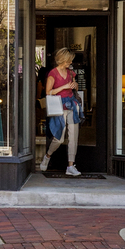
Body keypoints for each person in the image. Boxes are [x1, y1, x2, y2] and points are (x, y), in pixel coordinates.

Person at [39, 48, 82, 176]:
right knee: (59, 138)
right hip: (59, 106)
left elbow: (75, 86)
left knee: (73, 137)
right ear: (64, 60)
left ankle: (70, 166)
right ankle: (47, 156)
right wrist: (64, 87)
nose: (70, 62)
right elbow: (48, 92)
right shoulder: (53, 73)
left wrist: (75, 86)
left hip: (72, 105)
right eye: (69, 60)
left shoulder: (70, 73)